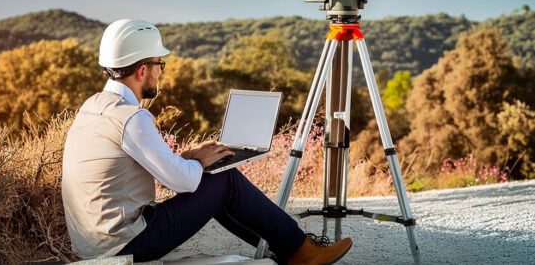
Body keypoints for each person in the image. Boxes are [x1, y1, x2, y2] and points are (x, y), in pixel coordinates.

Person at [61, 19, 352, 264]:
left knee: (215, 178)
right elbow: (183, 183)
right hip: (125, 245)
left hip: (94, 243)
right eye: (158, 64)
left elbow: (145, 167)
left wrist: (187, 157)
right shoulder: (131, 118)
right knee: (223, 181)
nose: (160, 71)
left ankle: (287, 249)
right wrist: (200, 162)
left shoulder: (93, 107)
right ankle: (299, 251)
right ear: (141, 71)